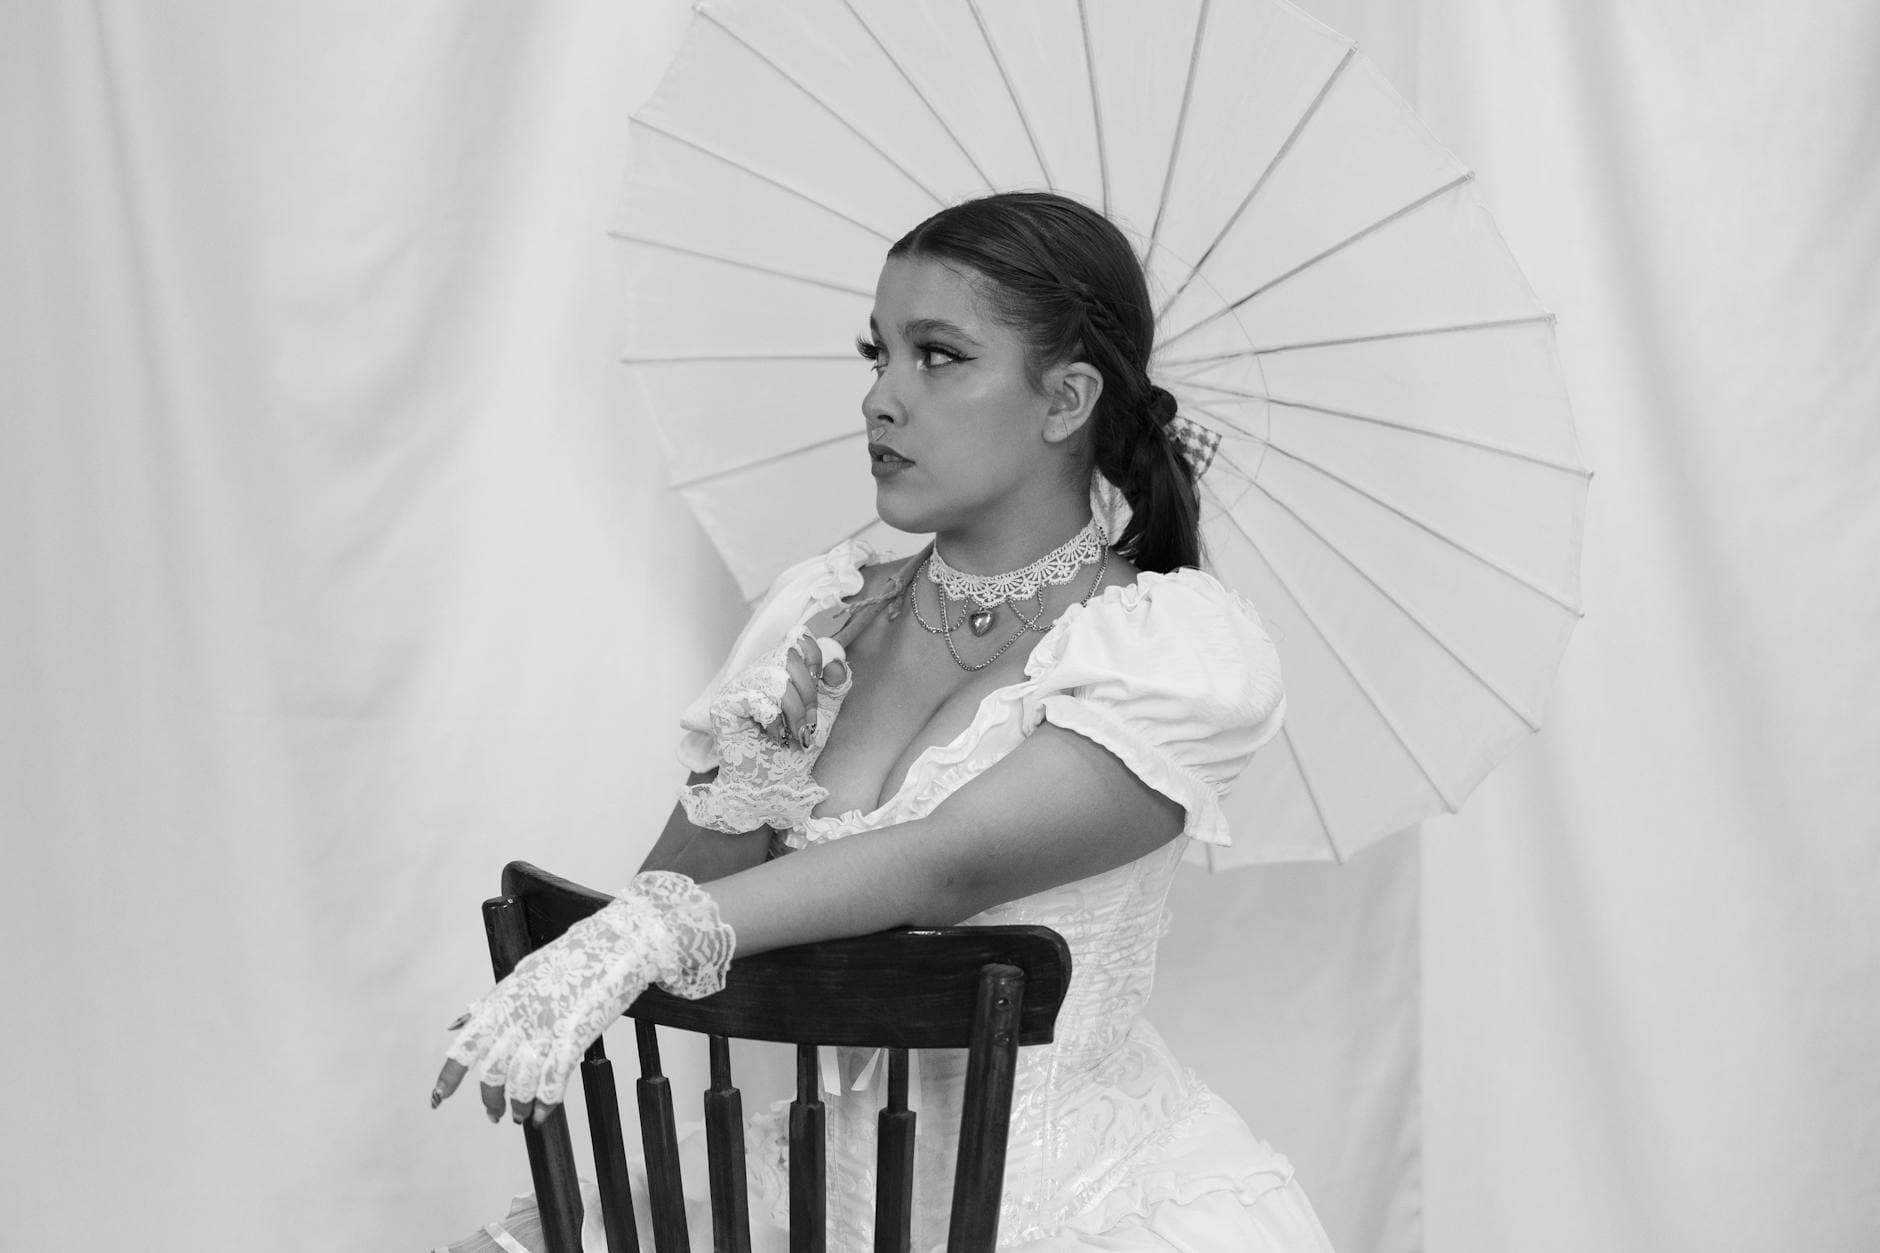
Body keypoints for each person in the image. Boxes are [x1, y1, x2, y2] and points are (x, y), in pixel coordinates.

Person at [433, 191, 1337, 1251]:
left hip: (1085, 1211)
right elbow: (681, 914)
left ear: (1066, 399)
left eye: (937, 356)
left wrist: (631, 936)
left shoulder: (1168, 652)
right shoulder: (822, 613)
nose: (880, 399)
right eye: (878, 354)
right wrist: (751, 777)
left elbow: (944, 867)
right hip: (823, 1191)